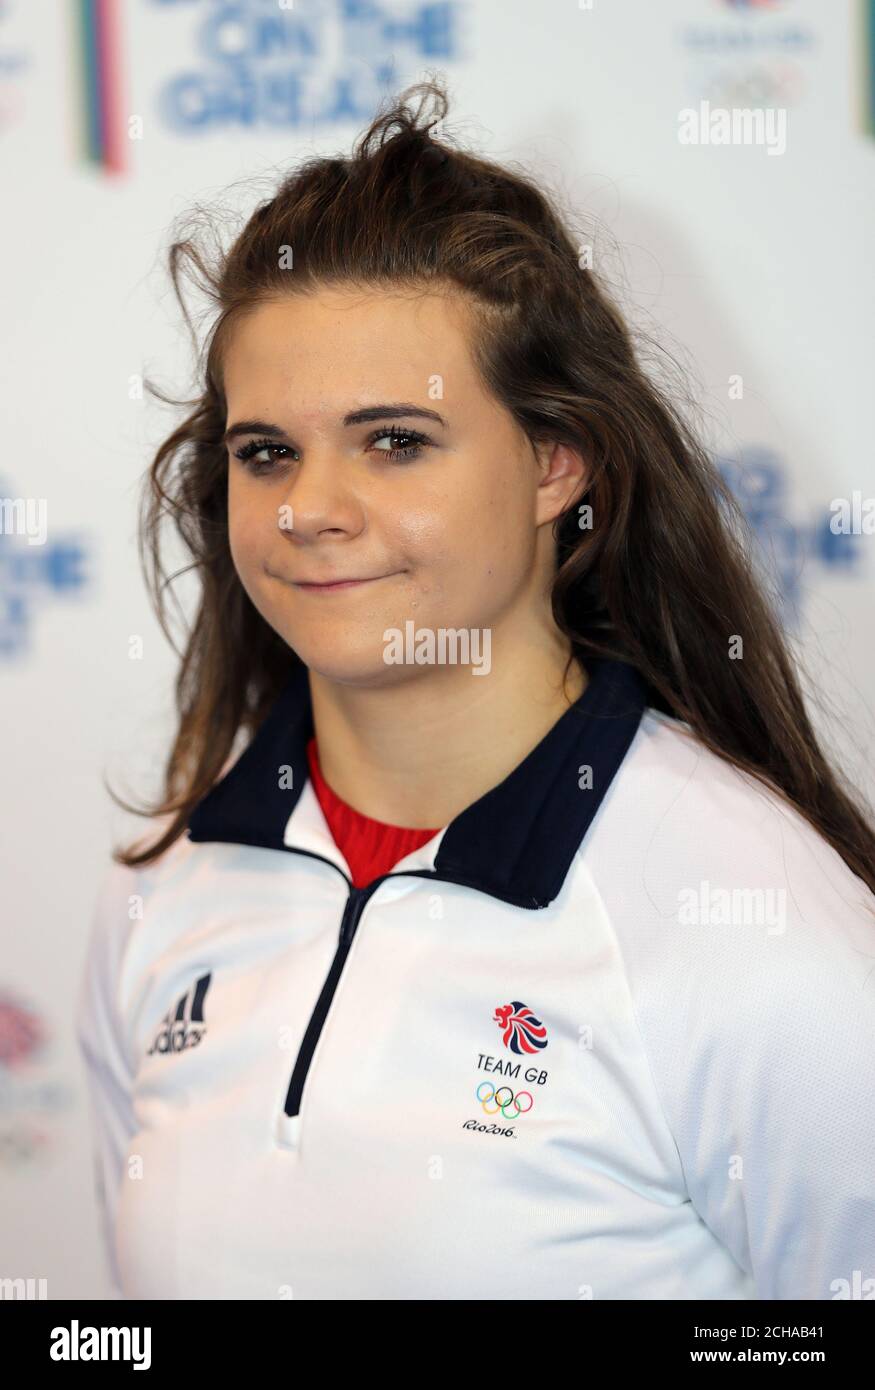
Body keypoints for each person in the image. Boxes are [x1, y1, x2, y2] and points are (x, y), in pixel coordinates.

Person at [76, 78, 875, 1301]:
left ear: (558, 462)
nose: (310, 510)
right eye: (266, 451)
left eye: (395, 440)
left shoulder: (754, 927)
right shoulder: (167, 892)